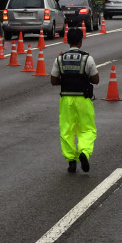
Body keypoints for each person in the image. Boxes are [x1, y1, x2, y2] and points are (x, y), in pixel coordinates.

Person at [50, 26, 99, 172]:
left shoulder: (60, 58)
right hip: (83, 99)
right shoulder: (87, 58)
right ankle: (84, 152)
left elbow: (53, 80)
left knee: (66, 130)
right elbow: (96, 79)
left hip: (66, 99)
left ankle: (71, 160)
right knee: (87, 129)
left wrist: (65, 81)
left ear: (67, 41)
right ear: (80, 41)